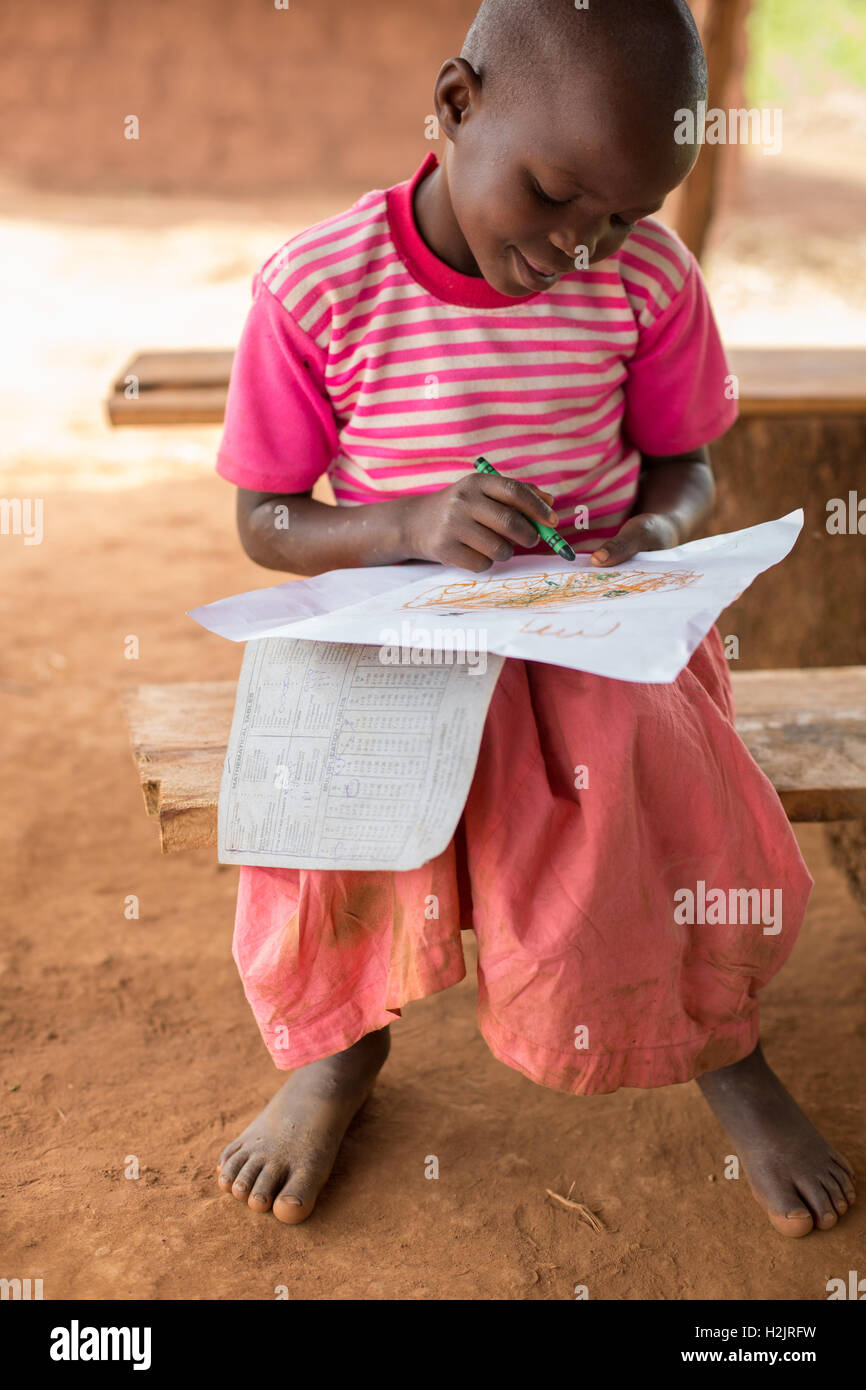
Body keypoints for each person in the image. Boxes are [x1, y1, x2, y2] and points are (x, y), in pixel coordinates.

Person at [214, 0, 854, 1237]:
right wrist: (403, 525)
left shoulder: (648, 284)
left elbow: (687, 469)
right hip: (394, 618)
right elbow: (267, 522)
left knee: (642, 775)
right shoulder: (319, 287)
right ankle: (340, 1044)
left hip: (588, 625)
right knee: (323, 778)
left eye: (624, 216)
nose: (582, 244)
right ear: (456, 105)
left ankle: (719, 1042)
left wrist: (651, 541)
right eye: (556, 193)